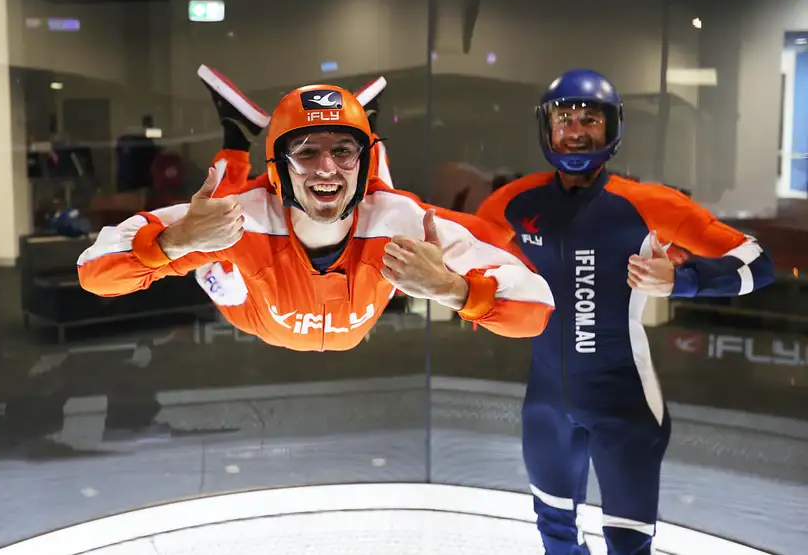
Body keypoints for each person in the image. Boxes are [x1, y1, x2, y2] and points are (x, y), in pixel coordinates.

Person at [475, 69, 775, 555]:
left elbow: (759, 263)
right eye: (564, 118)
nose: (575, 130)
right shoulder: (513, 201)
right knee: (555, 534)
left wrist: (685, 281)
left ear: (612, 127)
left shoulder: (647, 203)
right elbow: (459, 252)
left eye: (589, 118)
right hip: (546, 406)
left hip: (625, 406)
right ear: (546, 129)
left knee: (628, 545)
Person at [78, 66, 555, 351]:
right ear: (279, 168)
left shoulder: (406, 222)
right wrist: (174, 240)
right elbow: (93, 273)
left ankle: (346, 134)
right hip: (254, 310)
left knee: (383, 204)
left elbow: (537, 308)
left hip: (363, 267)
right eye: (306, 152)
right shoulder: (243, 217)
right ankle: (239, 142)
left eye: (343, 150)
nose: (325, 167)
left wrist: (450, 288)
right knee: (217, 242)